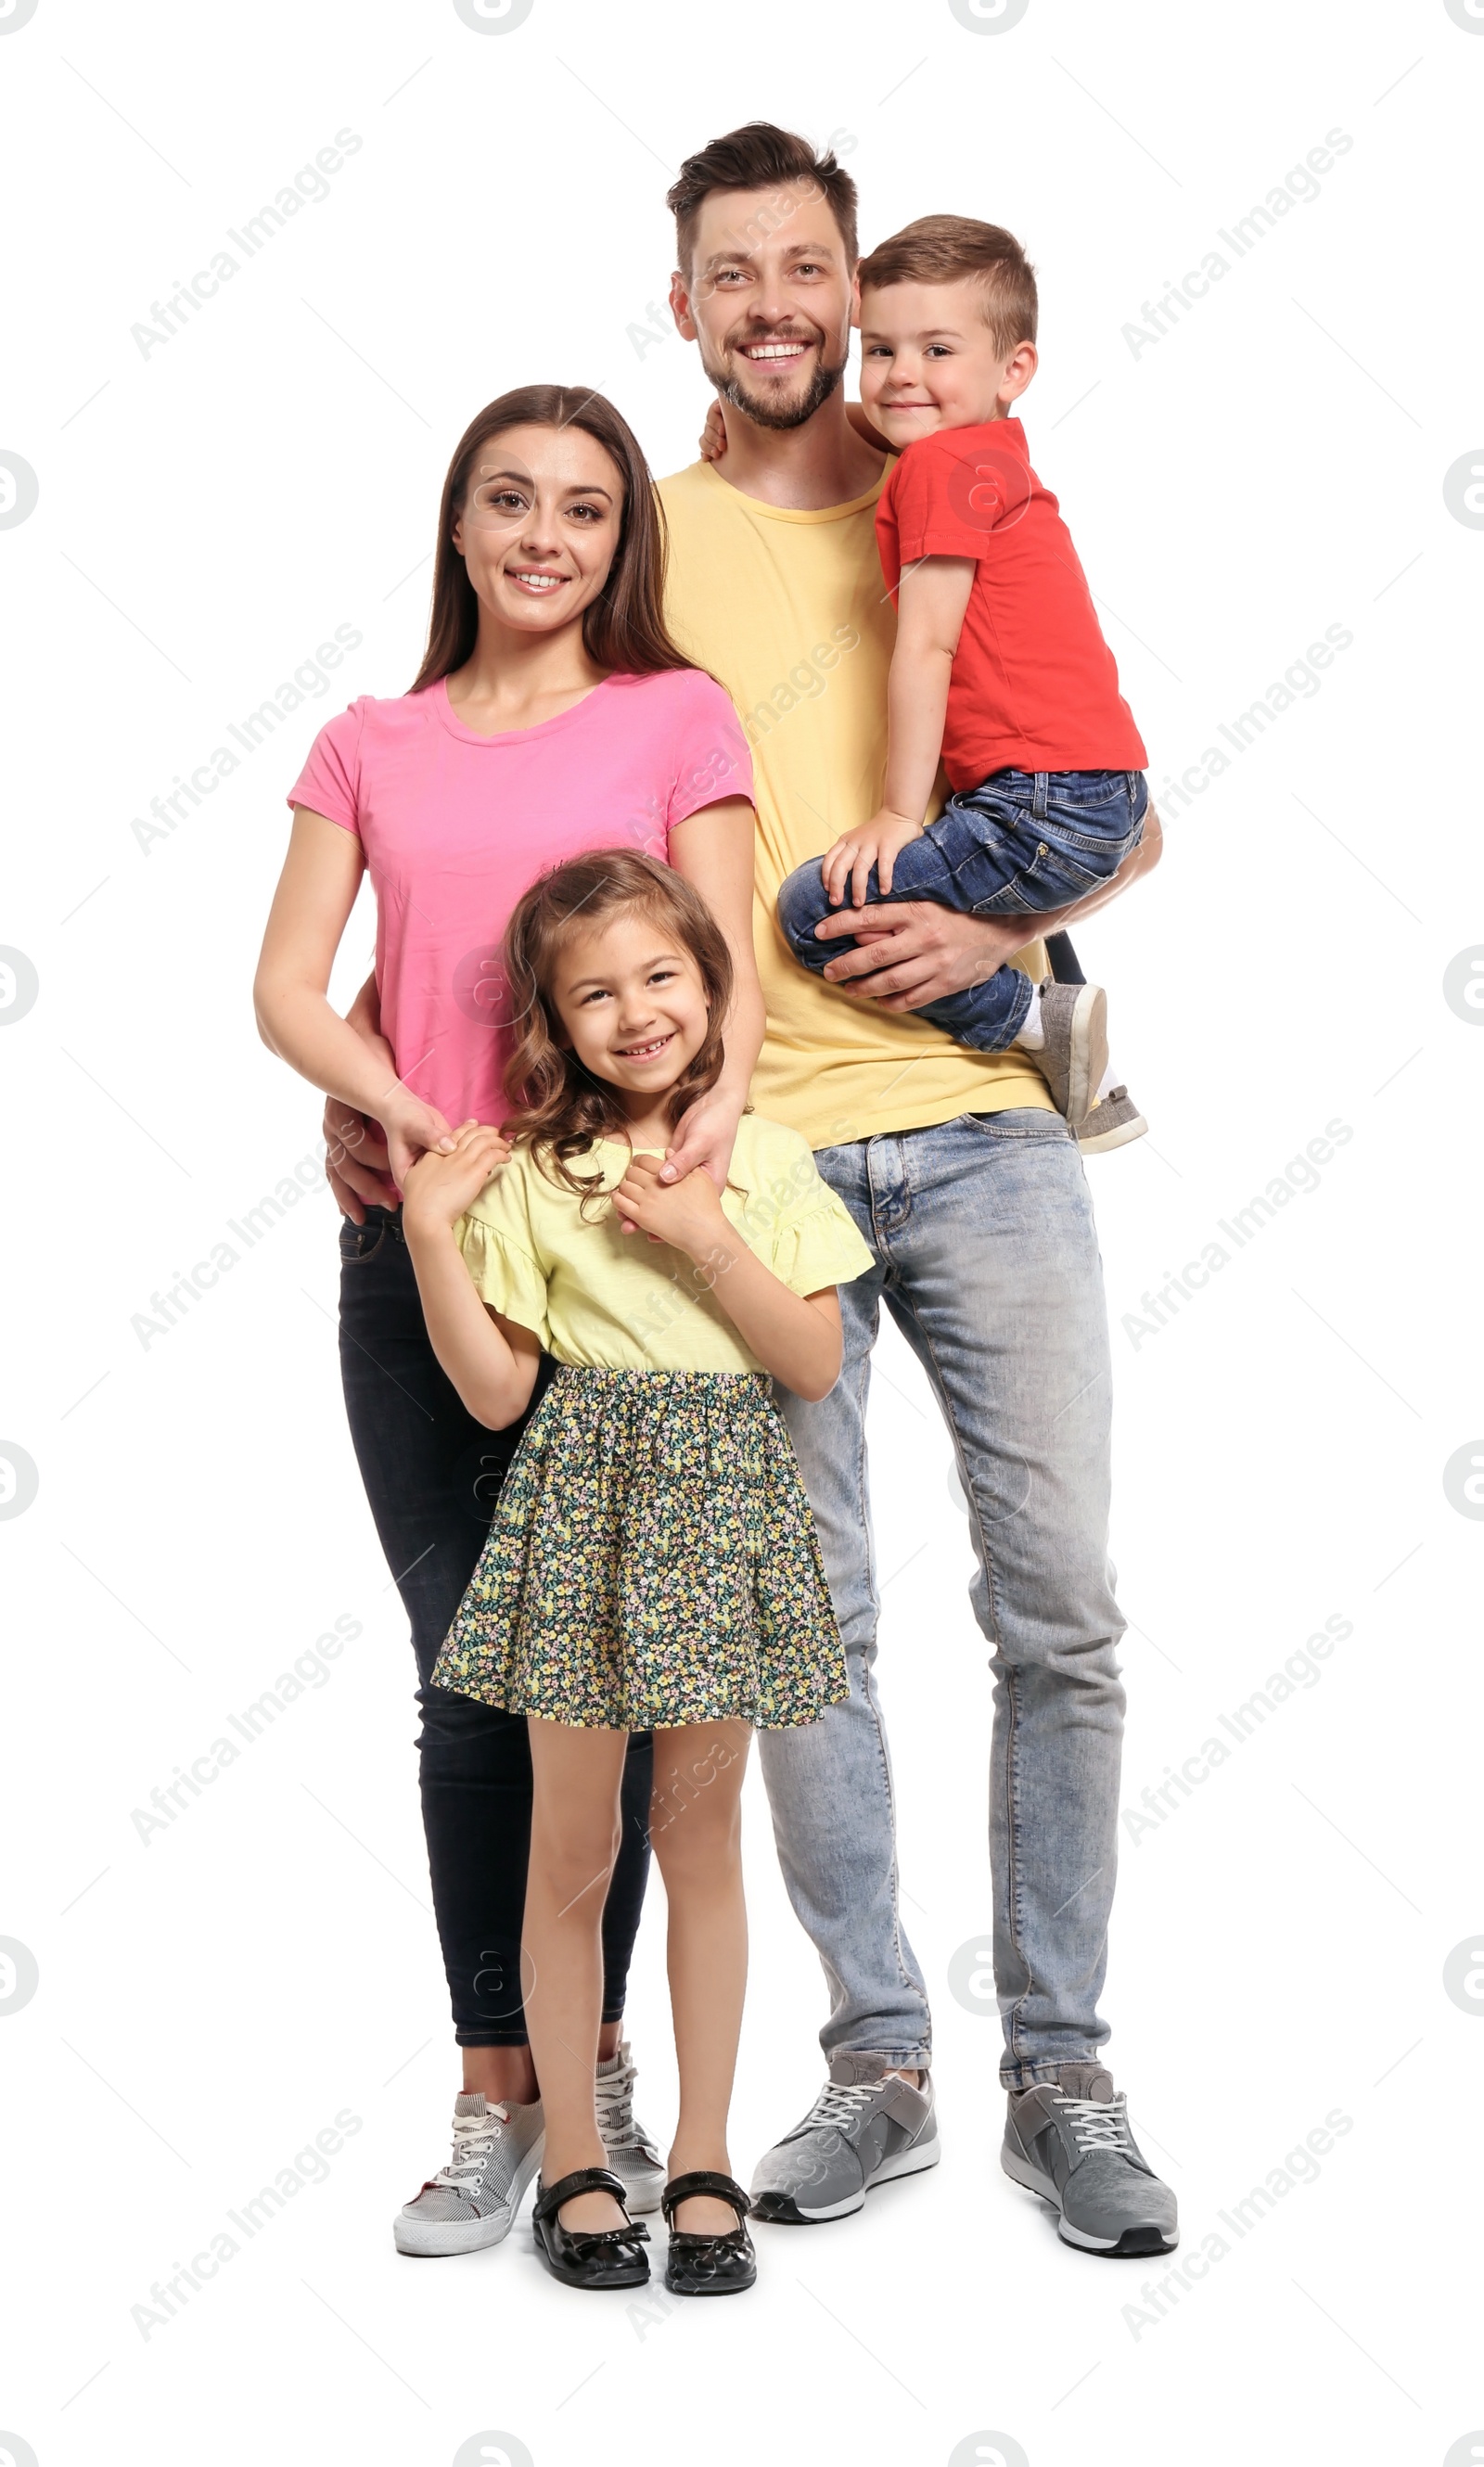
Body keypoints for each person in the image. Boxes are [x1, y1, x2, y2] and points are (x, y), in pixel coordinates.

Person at [656, 121, 1179, 2256]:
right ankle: (877, 2063)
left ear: (859, 291)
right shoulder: (644, 538)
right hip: (758, 1155)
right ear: (685, 303)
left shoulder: (955, 472)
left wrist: (986, 948)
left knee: (1056, 1609)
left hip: (982, 1135)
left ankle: (1059, 2074)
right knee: (816, 1632)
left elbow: (1115, 817)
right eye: (738, 277)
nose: (784, 312)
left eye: (813, 273)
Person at [253, 384, 762, 2256]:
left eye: (584, 508)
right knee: (469, 1673)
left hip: (622, 1274)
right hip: (430, 1252)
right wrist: (404, 1122)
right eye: (509, 501)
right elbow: (288, 988)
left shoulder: (671, 716)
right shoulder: (367, 740)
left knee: (617, 1692)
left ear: (621, 539)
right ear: (458, 525)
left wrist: (700, 1155)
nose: (546, 536)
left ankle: (599, 2070)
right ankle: (499, 2090)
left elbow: (731, 972)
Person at [399, 850, 873, 2294]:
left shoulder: (767, 1162)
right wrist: (432, 1234)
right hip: (582, 1521)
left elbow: (808, 1358)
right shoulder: (539, 1180)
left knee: (699, 1848)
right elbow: (493, 1395)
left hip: (720, 1518)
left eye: (662, 975)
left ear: (712, 985)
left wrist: (701, 1231)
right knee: (572, 1855)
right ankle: (574, 2164)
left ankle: (707, 2153)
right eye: (593, 992)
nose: (636, 1011)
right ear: (553, 1020)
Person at [776, 213, 1149, 1133]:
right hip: (1102, 798)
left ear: (1013, 370)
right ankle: (1091, 1094)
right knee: (946, 883)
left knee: (815, 908)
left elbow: (927, 645)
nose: (901, 375)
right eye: (880, 349)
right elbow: (903, 414)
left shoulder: (939, 469)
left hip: (1040, 803)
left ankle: (1029, 1021)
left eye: (935, 349)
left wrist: (900, 811)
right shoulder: (984, 454)